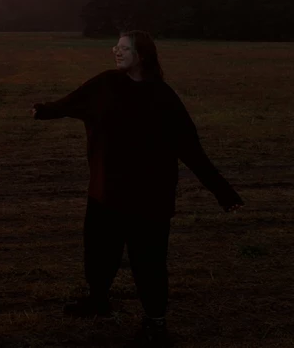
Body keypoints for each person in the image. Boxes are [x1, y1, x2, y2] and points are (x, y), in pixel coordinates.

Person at [31, 31, 243, 347]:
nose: (116, 50)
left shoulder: (163, 97)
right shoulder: (105, 84)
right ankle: (98, 301)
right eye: (116, 45)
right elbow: (73, 101)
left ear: (140, 55)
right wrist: (45, 110)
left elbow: (190, 148)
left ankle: (155, 323)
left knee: (149, 261)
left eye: (124, 48)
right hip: (106, 191)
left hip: (149, 197)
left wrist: (221, 190)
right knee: (99, 253)